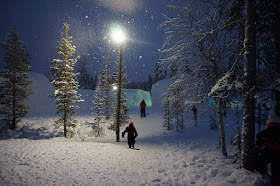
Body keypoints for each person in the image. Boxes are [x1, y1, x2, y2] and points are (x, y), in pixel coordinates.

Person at [255, 115, 280, 186]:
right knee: (276, 170)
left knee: (259, 162)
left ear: (269, 123)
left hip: (268, 152)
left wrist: (256, 152)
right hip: (278, 154)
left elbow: (258, 146)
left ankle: (265, 176)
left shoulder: (263, 133)